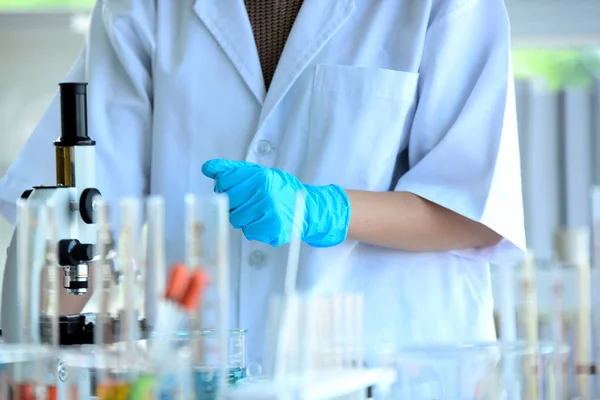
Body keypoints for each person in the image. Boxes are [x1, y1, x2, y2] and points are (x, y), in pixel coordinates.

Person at [0, 0, 525, 368]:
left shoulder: (448, 4)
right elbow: (79, 210)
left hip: (387, 363)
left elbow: (474, 210)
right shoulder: (145, 7)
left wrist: (326, 210)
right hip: (192, 364)